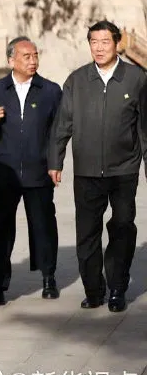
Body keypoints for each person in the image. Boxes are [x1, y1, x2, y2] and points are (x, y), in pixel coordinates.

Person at [49, 20, 147, 313]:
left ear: (117, 44)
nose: (99, 47)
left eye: (105, 42)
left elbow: (145, 127)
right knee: (87, 233)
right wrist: (55, 160)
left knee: (122, 226)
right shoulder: (77, 80)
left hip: (124, 170)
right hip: (87, 171)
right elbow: (63, 123)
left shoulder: (136, 79)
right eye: (94, 42)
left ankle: (117, 288)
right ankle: (93, 290)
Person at [0, 37, 62, 307]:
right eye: (26, 56)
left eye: (35, 55)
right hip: (6, 173)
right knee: (1, 229)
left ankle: (48, 278)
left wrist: (55, 163)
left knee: (43, 226)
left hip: (39, 173)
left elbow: (58, 132)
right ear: (11, 60)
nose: (33, 61)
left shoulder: (50, 91)